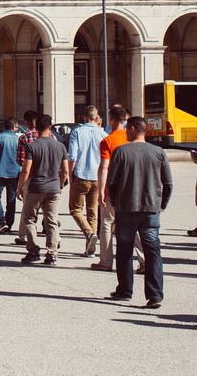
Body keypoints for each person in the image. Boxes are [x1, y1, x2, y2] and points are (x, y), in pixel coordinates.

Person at [104, 116, 171, 309]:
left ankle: (125, 290)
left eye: (127, 129)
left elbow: (112, 182)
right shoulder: (158, 152)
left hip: (126, 208)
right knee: (152, 251)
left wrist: (115, 202)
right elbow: (168, 183)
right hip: (150, 209)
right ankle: (155, 295)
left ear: (133, 129)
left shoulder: (120, 152)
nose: (125, 131)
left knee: (124, 250)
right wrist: (162, 204)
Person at [18, 114, 68, 265]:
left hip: (36, 187)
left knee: (30, 218)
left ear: (36, 128)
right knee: (51, 220)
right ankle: (52, 253)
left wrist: (20, 187)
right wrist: (59, 184)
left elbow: (26, 170)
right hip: (53, 187)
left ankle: (33, 250)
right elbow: (65, 171)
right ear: (50, 127)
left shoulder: (32, 146)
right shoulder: (60, 146)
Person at [91, 104, 135, 273]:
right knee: (133, 224)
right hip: (131, 187)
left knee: (107, 224)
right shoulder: (131, 138)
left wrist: (102, 189)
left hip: (113, 187)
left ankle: (106, 261)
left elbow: (104, 167)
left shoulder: (108, 140)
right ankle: (144, 259)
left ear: (111, 120)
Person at [66, 106, 107, 257]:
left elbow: (72, 156)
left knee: (75, 209)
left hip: (81, 174)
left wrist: (70, 174)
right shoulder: (103, 134)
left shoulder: (77, 132)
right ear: (96, 118)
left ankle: (89, 234)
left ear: (83, 117)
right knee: (92, 212)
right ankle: (91, 249)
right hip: (97, 176)